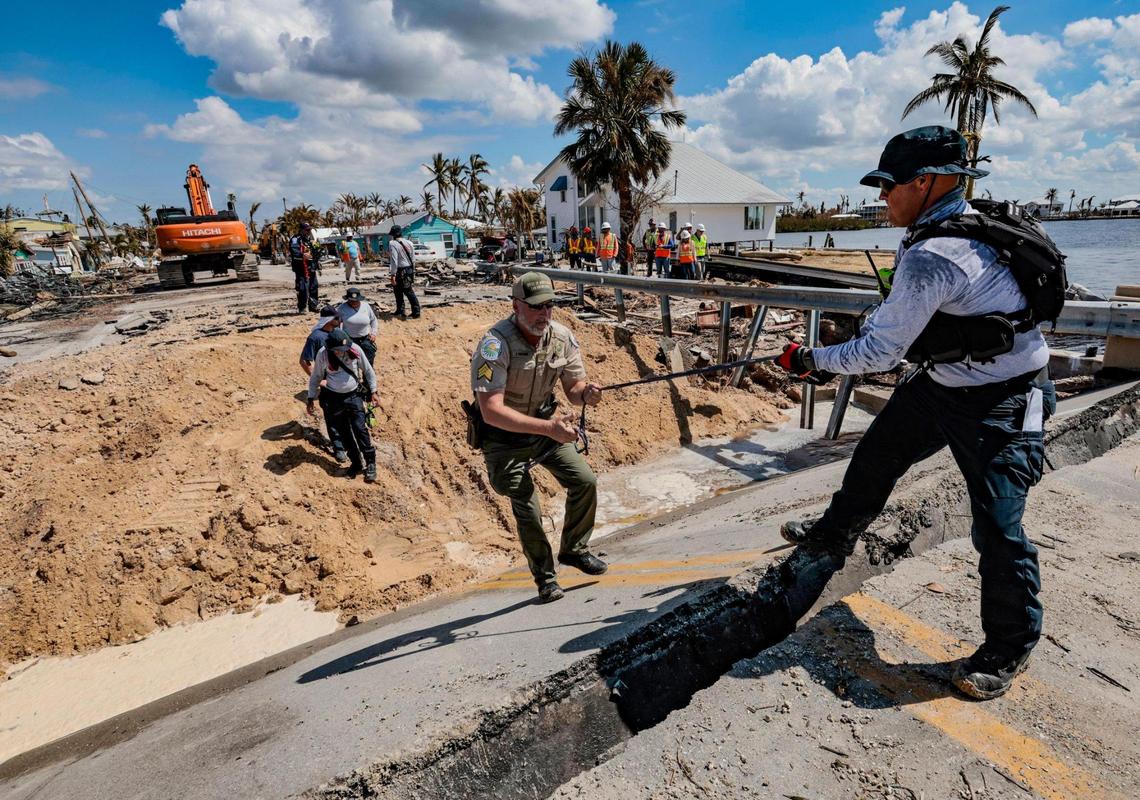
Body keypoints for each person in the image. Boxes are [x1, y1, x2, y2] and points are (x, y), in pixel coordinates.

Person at [774, 125, 1056, 701]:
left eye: (889, 186)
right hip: (942, 383)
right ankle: (832, 537)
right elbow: (898, 323)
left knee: (999, 526)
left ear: (926, 182)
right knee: (875, 459)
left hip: (1005, 397)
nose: (882, 197)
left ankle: (1009, 645)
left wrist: (811, 358)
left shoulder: (937, 254)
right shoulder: (937, 230)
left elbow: (879, 353)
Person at [470, 272, 607, 603]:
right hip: (504, 436)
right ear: (516, 306)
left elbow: (573, 389)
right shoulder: (494, 344)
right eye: (535, 308)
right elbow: (491, 410)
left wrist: (586, 394)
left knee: (585, 481)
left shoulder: (562, 337)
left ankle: (574, 549)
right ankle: (545, 578)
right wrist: (549, 429)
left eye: (549, 306)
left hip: (546, 428)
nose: (544, 315)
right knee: (526, 504)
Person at [306, 328, 378, 482]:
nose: (341, 352)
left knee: (360, 429)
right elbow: (316, 376)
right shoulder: (323, 354)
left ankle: (371, 463)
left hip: (353, 396)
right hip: (334, 398)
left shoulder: (354, 349)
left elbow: (368, 370)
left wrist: (373, 391)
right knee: (344, 433)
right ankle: (356, 463)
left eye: (343, 350)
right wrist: (311, 397)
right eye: (338, 350)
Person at [299, 305, 347, 464]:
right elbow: (305, 361)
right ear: (329, 320)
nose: (340, 319)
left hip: (344, 382)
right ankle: (339, 447)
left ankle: (348, 442)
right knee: (332, 417)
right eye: (336, 317)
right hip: (328, 386)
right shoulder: (316, 337)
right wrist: (318, 380)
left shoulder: (338, 333)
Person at [337, 286, 378, 365]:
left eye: (356, 301)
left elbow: (373, 320)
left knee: (368, 363)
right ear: (348, 300)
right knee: (351, 364)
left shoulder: (366, 306)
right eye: (351, 301)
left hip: (365, 339)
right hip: (350, 340)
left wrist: (373, 333)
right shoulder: (341, 308)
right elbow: (336, 324)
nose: (354, 303)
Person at [387, 225, 421, 319]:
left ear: (393, 234)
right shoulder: (409, 242)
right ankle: (400, 310)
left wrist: (393, 274)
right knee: (400, 290)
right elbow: (413, 258)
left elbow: (394, 260)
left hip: (400, 270)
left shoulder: (392, 243)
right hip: (409, 269)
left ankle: (415, 312)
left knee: (406, 291)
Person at [289, 222, 320, 313]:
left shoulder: (309, 240)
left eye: (309, 230)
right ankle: (302, 307)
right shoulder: (296, 239)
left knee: (313, 286)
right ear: (301, 230)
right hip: (301, 267)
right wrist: (302, 255)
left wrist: (317, 260)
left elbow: (315, 252)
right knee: (303, 288)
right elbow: (294, 252)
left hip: (311, 267)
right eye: (307, 230)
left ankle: (313, 306)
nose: (308, 231)